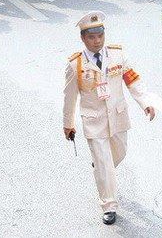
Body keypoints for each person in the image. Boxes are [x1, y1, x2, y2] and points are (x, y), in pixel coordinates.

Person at [62, 11, 155, 225]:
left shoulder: (118, 55)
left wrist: (146, 102)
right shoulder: (75, 64)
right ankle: (109, 205)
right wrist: (68, 124)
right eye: (91, 37)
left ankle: (102, 171)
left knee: (119, 153)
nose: (97, 41)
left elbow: (133, 79)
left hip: (118, 116)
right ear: (83, 39)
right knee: (104, 164)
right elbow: (69, 97)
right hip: (93, 120)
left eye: (100, 36)